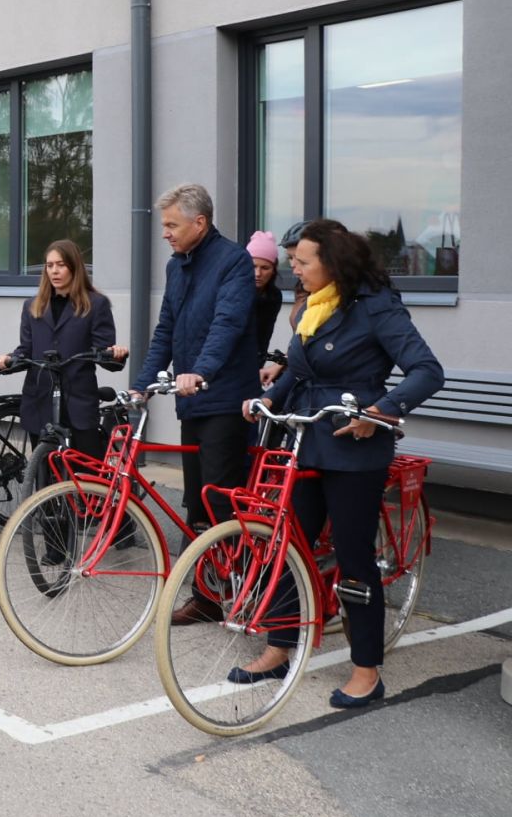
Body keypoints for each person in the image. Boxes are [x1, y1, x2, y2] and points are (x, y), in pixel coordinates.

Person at [239, 218, 442, 708]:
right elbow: (299, 370)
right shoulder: (312, 308)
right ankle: (279, 646)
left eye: (302, 263)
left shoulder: (376, 307)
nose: (294, 271)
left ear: (332, 263)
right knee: (288, 545)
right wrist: (265, 398)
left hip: (354, 448)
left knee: (353, 560)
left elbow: (427, 370)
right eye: (292, 263)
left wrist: (385, 410)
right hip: (307, 442)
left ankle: (366, 670)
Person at [131, 184, 258, 623]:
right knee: (197, 504)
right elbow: (166, 328)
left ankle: (244, 590)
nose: (164, 233)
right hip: (193, 402)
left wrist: (201, 371)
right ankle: (206, 598)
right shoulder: (176, 266)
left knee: (223, 502)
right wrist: (142, 383)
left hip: (224, 400)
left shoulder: (234, 261)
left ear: (199, 223)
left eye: (171, 225)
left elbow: (227, 324)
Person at [0, 239, 127, 458]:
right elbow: (25, 350)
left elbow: (105, 353)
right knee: (43, 475)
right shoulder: (32, 306)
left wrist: (117, 354)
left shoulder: (96, 304)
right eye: (49, 265)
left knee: (85, 475)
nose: (54, 271)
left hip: (78, 403)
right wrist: (8, 359)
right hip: (40, 400)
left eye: (61, 265)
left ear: (74, 267)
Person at [246, 230, 286, 390]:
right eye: (253, 266)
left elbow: (264, 337)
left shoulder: (274, 296)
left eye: (265, 268)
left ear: (274, 269)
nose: (258, 273)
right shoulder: (233, 291)